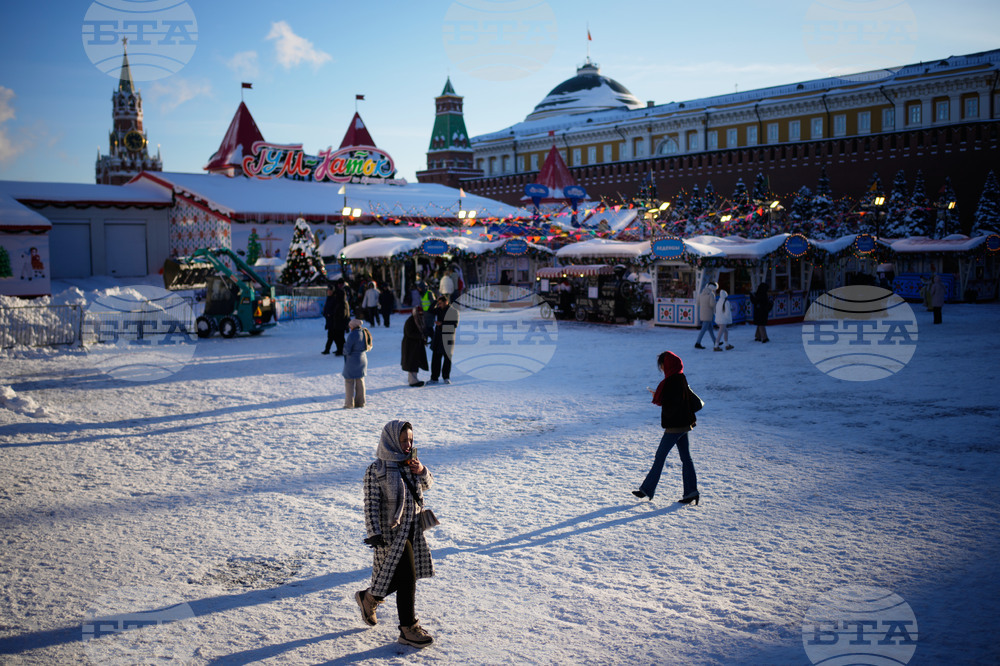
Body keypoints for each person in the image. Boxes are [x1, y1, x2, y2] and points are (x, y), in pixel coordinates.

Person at [356, 420, 435, 648]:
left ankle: (369, 598)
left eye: (410, 440)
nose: (408, 445)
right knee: (408, 577)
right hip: (391, 534)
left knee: (400, 577)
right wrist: (374, 533)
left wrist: (422, 471)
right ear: (390, 441)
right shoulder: (377, 469)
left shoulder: (410, 462)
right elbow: (370, 503)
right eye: (403, 441)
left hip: (413, 528)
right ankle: (407, 628)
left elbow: (427, 485)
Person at [633, 351, 700, 504]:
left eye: (662, 364)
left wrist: (658, 396)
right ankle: (691, 492)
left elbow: (672, 402)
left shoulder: (671, 381)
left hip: (675, 426)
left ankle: (647, 489)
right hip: (684, 424)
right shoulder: (680, 377)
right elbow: (677, 400)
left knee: (660, 456)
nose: (662, 368)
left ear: (667, 364)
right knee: (686, 458)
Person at [429, 295, 459, 384]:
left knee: (447, 359)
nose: (439, 305)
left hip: (448, 338)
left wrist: (442, 324)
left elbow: (454, 324)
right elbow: (430, 310)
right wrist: (435, 301)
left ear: (446, 302)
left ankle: (446, 377)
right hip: (438, 338)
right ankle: (434, 378)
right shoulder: (438, 309)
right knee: (435, 359)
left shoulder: (453, 311)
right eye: (438, 304)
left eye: (441, 303)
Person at [343, 319, 371, 408]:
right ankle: (360, 402)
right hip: (362, 359)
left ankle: (349, 403)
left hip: (352, 360)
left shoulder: (353, 334)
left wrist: (343, 348)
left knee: (349, 381)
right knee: (360, 380)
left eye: (350, 325)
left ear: (353, 326)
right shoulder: (364, 332)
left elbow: (347, 350)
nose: (349, 327)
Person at [401, 307, 429, 387]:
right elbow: (409, 333)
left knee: (415, 362)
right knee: (411, 363)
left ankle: (413, 379)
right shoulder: (410, 320)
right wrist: (420, 336)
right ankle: (413, 381)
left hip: (416, 345)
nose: (420, 313)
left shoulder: (420, 319)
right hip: (410, 345)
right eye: (419, 312)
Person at [322, 281, 350, 356]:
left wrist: (333, 315)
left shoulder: (341, 302)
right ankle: (339, 349)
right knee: (335, 336)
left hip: (338, 323)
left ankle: (341, 350)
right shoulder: (336, 301)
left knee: (338, 337)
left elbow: (343, 314)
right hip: (334, 322)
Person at [694, 282, 717, 349]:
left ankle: (715, 341)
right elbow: (712, 304)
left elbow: (698, 303)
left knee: (710, 329)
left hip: (703, 313)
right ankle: (697, 343)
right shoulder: (711, 294)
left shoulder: (701, 293)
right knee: (703, 330)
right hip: (708, 313)